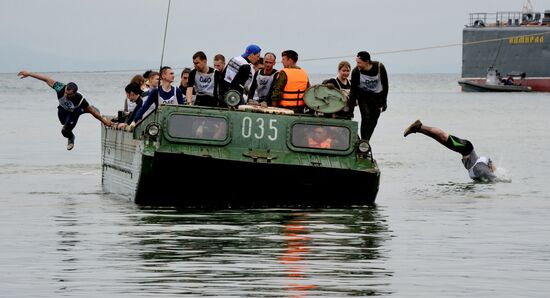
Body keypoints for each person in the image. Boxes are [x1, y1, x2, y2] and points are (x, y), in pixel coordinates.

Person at [17, 70, 113, 150]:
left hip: (74, 112)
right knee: (63, 122)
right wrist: (29, 73)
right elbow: (45, 78)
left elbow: (94, 114)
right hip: (62, 109)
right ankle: (85, 111)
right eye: (66, 92)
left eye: (69, 94)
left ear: (74, 93)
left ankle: (71, 137)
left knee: (65, 131)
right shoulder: (60, 87)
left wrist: (105, 122)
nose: (65, 95)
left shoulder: (80, 99)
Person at [403, 119, 497, 182]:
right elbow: (495, 179)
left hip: (466, 149)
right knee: (443, 136)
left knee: (440, 138)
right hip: (465, 149)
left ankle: (417, 129)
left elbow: (492, 168)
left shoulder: (482, 165)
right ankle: (419, 126)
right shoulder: (481, 170)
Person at [349, 51, 389, 141]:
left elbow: (385, 86)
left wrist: (384, 102)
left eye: (359, 62)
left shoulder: (379, 67)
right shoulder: (356, 71)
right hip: (363, 96)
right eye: (356, 62)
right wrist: (350, 110)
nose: (357, 64)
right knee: (366, 117)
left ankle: (366, 141)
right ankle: (363, 141)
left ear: (366, 61)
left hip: (377, 97)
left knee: (374, 120)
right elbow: (353, 91)